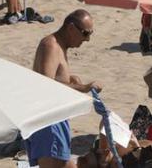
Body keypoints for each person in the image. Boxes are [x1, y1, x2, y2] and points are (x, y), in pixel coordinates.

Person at [29, 9, 99, 168]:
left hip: (56, 118)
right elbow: (46, 85)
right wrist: (83, 87)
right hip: (49, 120)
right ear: (71, 28)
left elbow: (55, 78)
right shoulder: (51, 45)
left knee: (63, 163)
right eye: (85, 33)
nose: (87, 39)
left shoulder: (60, 46)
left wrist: (70, 79)